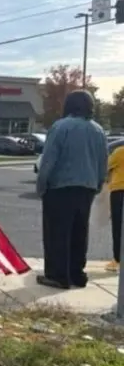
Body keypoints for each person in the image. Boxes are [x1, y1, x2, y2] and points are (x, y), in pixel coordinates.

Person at [36, 90, 107, 289]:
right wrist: (98, 184)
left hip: (61, 187)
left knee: (57, 233)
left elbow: (49, 161)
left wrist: (42, 186)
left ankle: (58, 275)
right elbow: (103, 161)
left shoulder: (60, 127)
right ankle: (77, 274)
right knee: (79, 232)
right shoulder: (98, 130)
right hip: (87, 188)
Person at [106, 143, 124, 272]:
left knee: (118, 227)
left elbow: (106, 166)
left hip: (119, 191)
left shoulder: (119, 152)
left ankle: (117, 259)